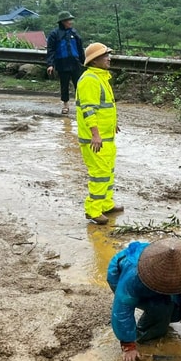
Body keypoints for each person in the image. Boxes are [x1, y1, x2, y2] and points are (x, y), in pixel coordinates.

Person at [107, 238, 181, 361]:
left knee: (175, 305)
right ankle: (143, 334)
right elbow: (122, 309)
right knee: (160, 308)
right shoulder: (132, 278)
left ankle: (161, 318)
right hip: (122, 271)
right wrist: (128, 346)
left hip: (155, 268)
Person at [75, 42, 123, 225]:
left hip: (106, 136)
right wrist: (95, 134)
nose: (108, 58)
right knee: (99, 173)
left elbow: (105, 106)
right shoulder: (89, 80)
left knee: (108, 171)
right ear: (94, 61)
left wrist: (113, 124)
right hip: (95, 139)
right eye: (105, 56)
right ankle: (93, 210)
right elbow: (89, 110)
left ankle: (106, 204)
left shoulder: (101, 77)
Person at [46, 11, 85, 114]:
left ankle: (81, 104)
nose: (70, 22)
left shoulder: (74, 33)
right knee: (64, 85)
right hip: (62, 63)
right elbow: (51, 50)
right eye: (68, 20)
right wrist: (50, 64)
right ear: (63, 21)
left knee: (79, 85)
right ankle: (65, 105)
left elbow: (80, 49)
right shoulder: (55, 34)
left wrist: (84, 61)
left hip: (75, 63)